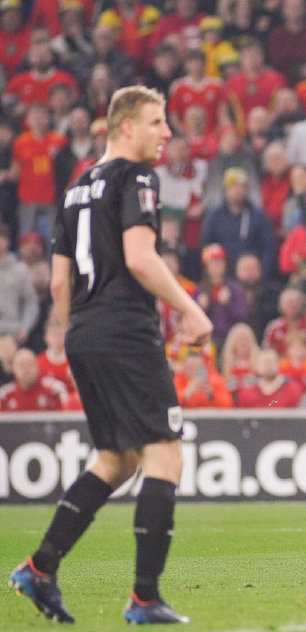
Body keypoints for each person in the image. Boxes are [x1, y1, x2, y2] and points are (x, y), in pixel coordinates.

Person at [10, 86, 213, 624]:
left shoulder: (75, 189)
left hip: (83, 331)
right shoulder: (136, 177)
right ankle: (145, 598)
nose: (166, 133)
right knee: (165, 456)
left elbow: (59, 283)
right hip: (125, 329)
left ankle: (40, 568)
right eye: (156, 122)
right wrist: (191, 311)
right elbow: (140, 258)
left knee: (116, 460)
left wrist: (81, 329)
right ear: (126, 126)